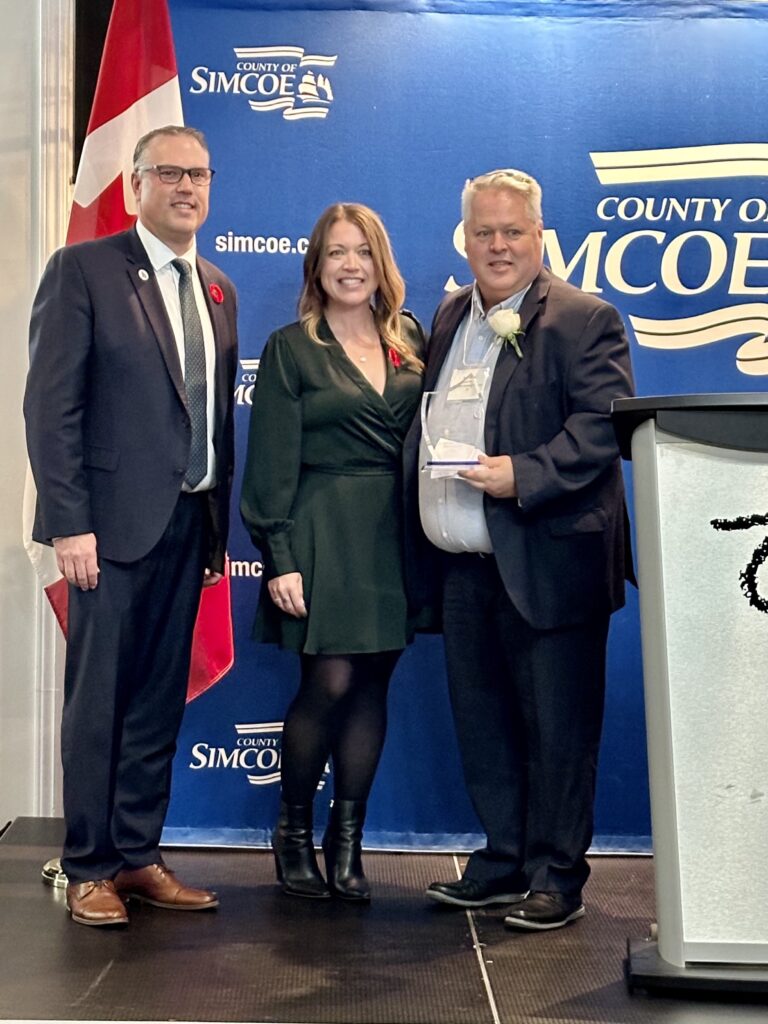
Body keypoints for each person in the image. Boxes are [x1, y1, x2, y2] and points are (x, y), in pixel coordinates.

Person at [404, 169, 634, 931]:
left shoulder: (585, 318)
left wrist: (520, 475)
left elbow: (602, 430)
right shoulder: (446, 317)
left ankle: (556, 876)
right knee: (485, 723)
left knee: (559, 730)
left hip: (549, 561)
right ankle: (502, 861)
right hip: (466, 567)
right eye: (483, 232)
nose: (497, 245)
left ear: (540, 237)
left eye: (512, 231)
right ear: (463, 239)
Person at [24, 126, 239, 927]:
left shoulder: (218, 285)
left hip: (189, 527)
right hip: (107, 534)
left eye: (200, 174)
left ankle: (139, 855)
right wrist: (69, 525)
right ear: (135, 186)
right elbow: (52, 409)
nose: (187, 187)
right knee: (98, 704)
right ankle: (88, 867)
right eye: (170, 173)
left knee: (155, 702)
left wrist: (214, 533)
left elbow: (212, 418)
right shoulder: (83, 269)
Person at [241, 203, 425, 902]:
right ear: (315, 266)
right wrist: (280, 556)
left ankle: (346, 843)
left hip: (396, 535)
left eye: (362, 252)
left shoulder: (411, 338)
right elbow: (269, 466)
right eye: (335, 253)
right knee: (330, 683)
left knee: (374, 684)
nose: (350, 265)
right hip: (321, 532)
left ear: (381, 263)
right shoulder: (292, 346)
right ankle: (291, 833)